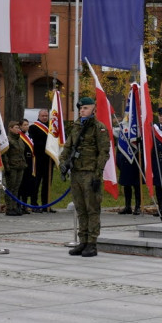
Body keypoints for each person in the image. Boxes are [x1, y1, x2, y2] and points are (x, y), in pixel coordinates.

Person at [60, 96, 110, 257]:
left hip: (90, 173)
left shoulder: (99, 128)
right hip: (76, 173)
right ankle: (83, 241)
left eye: (85, 108)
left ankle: (92, 243)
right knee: (80, 209)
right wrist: (62, 162)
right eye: (80, 108)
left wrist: (98, 174)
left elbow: (104, 152)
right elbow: (68, 147)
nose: (82, 111)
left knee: (92, 209)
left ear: (93, 109)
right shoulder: (76, 126)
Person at [28, 109, 54, 213]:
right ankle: (34, 204)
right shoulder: (33, 127)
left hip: (48, 159)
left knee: (47, 183)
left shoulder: (51, 128)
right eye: (43, 115)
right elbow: (33, 142)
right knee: (36, 182)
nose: (45, 117)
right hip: (38, 159)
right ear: (38, 115)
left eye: (46, 116)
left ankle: (46, 204)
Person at [116, 113, 141, 215]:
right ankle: (128, 206)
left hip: (136, 161)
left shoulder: (138, 128)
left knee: (136, 185)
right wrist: (118, 161)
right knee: (126, 185)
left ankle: (138, 206)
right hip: (125, 160)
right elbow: (119, 146)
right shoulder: (123, 126)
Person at [3, 121, 28, 216]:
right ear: (10, 128)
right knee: (10, 188)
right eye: (16, 127)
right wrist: (7, 167)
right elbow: (5, 155)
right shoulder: (8, 140)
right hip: (12, 167)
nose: (18, 129)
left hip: (20, 166)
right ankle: (9, 208)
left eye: (18, 127)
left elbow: (22, 153)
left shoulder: (20, 140)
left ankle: (14, 206)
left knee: (16, 188)